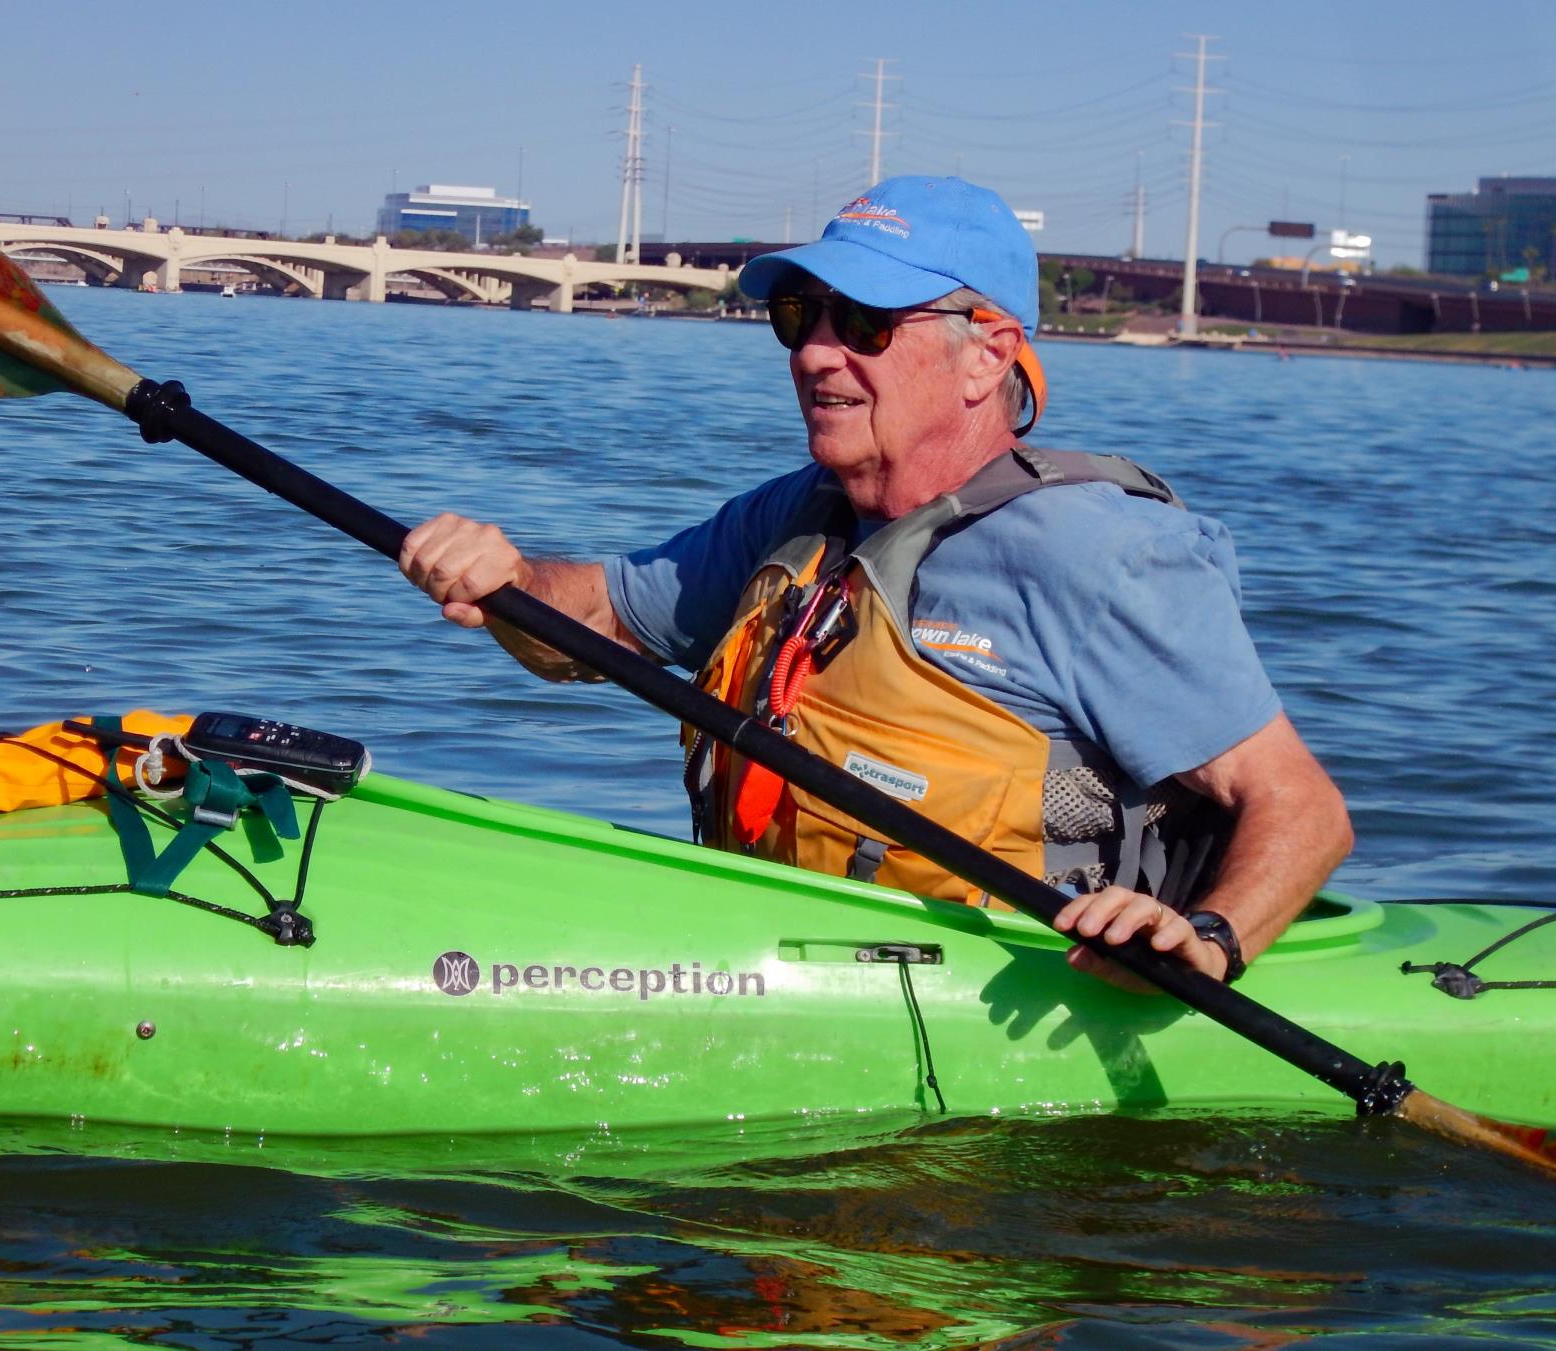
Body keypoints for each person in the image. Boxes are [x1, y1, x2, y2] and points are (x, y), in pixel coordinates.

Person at [398, 176, 1350, 992]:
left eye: (862, 323)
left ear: (988, 352)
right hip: (763, 963)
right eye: (797, 318)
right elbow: (601, 619)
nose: (815, 351)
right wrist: (511, 580)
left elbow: (1302, 807)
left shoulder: (1101, 555)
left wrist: (1213, 940)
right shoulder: (797, 519)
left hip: (1019, 1003)